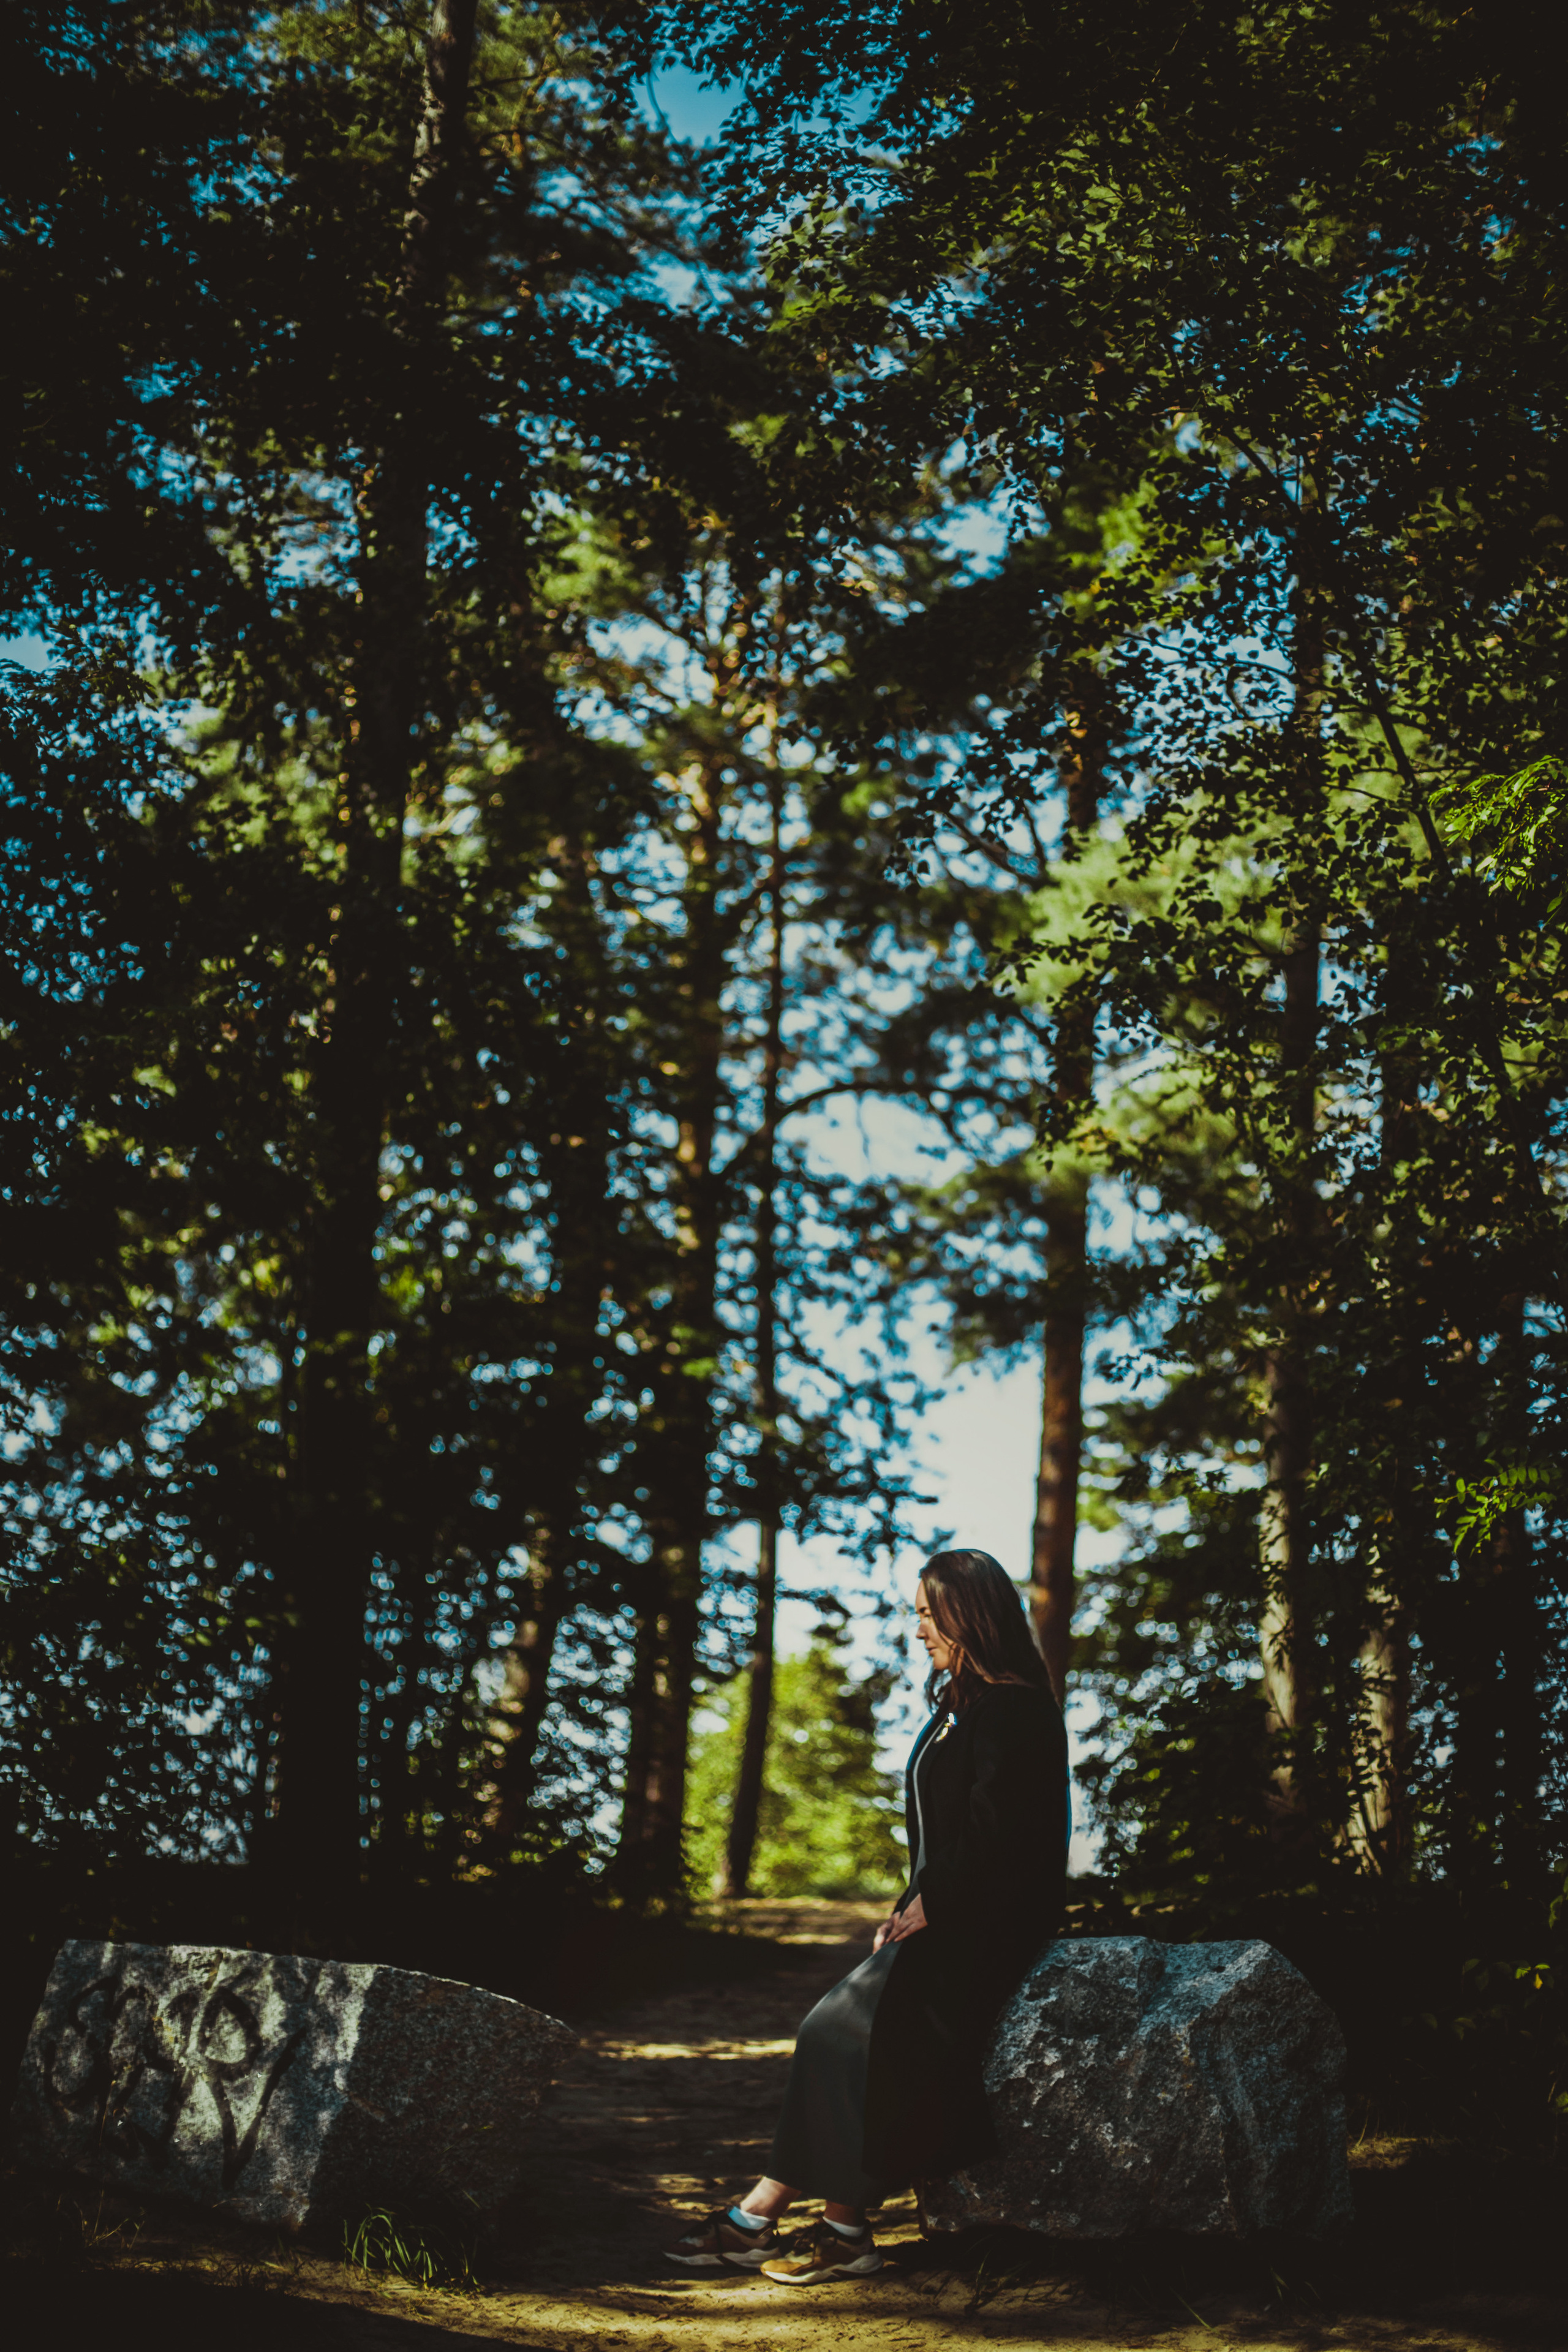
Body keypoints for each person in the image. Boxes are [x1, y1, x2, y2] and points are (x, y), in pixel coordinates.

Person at [665, 1547, 1069, 2286]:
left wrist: (931, 1905)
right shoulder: (962, 1705)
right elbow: (939, 1836)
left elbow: (998, 1832)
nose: (916, 1630)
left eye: (925, 1613)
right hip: (946, 1913)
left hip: (988, 1925)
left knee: (848, 2032)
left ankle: (766, 2216)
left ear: (965, 1615)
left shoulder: (1017, 1708)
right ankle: (838, 2228)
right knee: (843, 2033)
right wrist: (906, 1908)